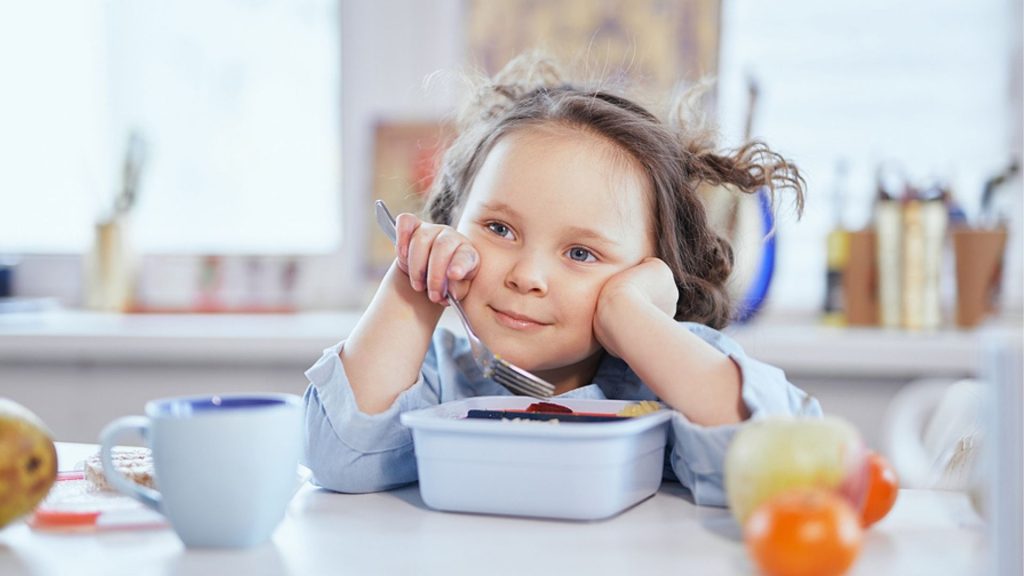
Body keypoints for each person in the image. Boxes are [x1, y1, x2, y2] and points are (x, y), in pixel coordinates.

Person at [303, 54, 820, 507]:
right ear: (453, 220)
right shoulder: (438, 376)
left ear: (649, 270)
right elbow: (341, 457)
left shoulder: (665, 375)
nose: (526, 276)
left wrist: (630, 313)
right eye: (498, 228)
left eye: (580, 252)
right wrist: (413, 283)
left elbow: (780, 461)